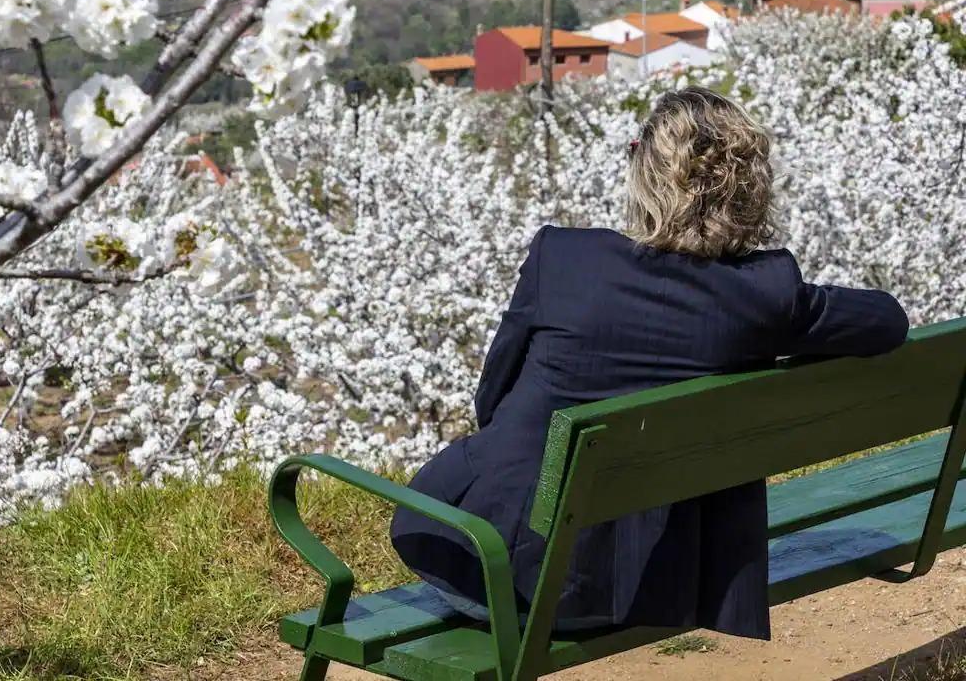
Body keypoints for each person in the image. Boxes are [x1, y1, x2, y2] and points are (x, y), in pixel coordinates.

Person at [389, 86, 909, 639]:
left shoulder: (563, 260)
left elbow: (492, 399)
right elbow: (888, 321)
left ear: (645, 172)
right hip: (651, 584)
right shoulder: (764, 295)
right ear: (749, 187)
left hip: (488, 563)